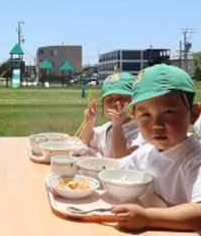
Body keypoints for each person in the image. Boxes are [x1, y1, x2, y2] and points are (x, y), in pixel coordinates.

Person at [113, 64, 201, 231]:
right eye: (146, 114)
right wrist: (81, 164)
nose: (156, 125)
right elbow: (117, 167)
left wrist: (147, 218)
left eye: (168, 112)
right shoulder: (148, 151)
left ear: (194, 114)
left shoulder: (195, 159)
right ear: (135, 117)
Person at [80, 72, 140, 158]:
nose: (115, 103)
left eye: (122, 98)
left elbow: (122, 159)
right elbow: (86, 141)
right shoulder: (107, 127)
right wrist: (90, 121)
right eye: (109, 99)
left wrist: (117, 126)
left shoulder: (138, 131)